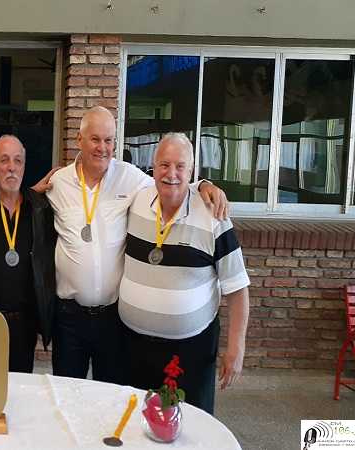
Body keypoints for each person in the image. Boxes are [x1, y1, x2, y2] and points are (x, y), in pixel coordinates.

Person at [45, 106, 228, 383]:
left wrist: (202, 184)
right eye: (95, 139)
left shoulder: (130, 178)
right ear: (79, 141)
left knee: (112, 396)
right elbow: (26, 199)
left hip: (112, 319)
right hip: (68, 319)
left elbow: (171, 181)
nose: (102, 148)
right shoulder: (58, 182)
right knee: (68, 393)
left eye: (109, 140)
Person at [119, 133, 250, 413]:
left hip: (190, 352)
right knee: (136, 424)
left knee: (189, 426)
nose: (172, 174)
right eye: (164, 165)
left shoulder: (214, 215)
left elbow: (237, 289)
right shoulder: (137, 200)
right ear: (152, 167)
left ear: (192, 172)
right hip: (132, 347)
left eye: (180, 166)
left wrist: (236, 348)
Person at [0, 135, 56, 373]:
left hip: (23, 324)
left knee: (19, 393)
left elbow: (48, 265)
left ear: (24, 167)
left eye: (18, 161)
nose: (11, 167)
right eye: (5, 160)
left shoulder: (40, 209)